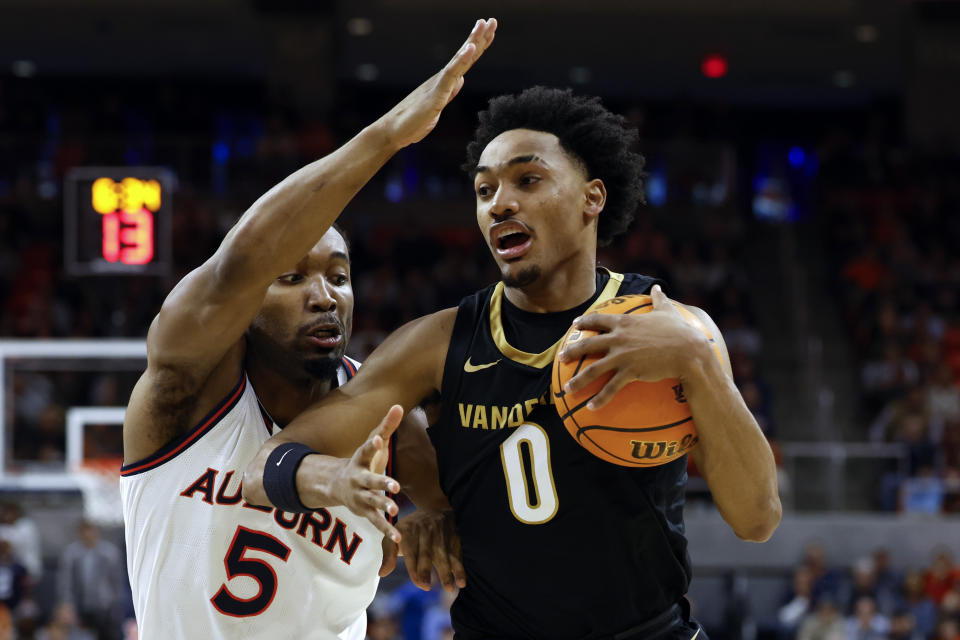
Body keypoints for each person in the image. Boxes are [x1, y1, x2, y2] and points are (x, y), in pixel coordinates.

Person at [244, 86, 781, 638]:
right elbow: (264, 469)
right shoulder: (436, 344)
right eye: (484, 189)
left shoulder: (672, 327)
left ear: (592, 198)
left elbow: (758, 519)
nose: (499, 202)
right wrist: (343, 483)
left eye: (528, 180)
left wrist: (697, 361)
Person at [119, 18, 497, 640]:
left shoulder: (389, 423)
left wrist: (438, 513)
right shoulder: (184, 396)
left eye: (339, 277)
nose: (324, 296)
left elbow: (468, 524)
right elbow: (238, 266)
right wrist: (385, 138)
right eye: (292, 279)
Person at [56, 521, 124, 640]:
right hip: (80, 604)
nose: (88, 536)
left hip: (105, 605)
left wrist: (115, 601)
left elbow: (117, 580)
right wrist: (67, 603)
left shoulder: (109, 553)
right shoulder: (71, 553)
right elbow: (65, 581)